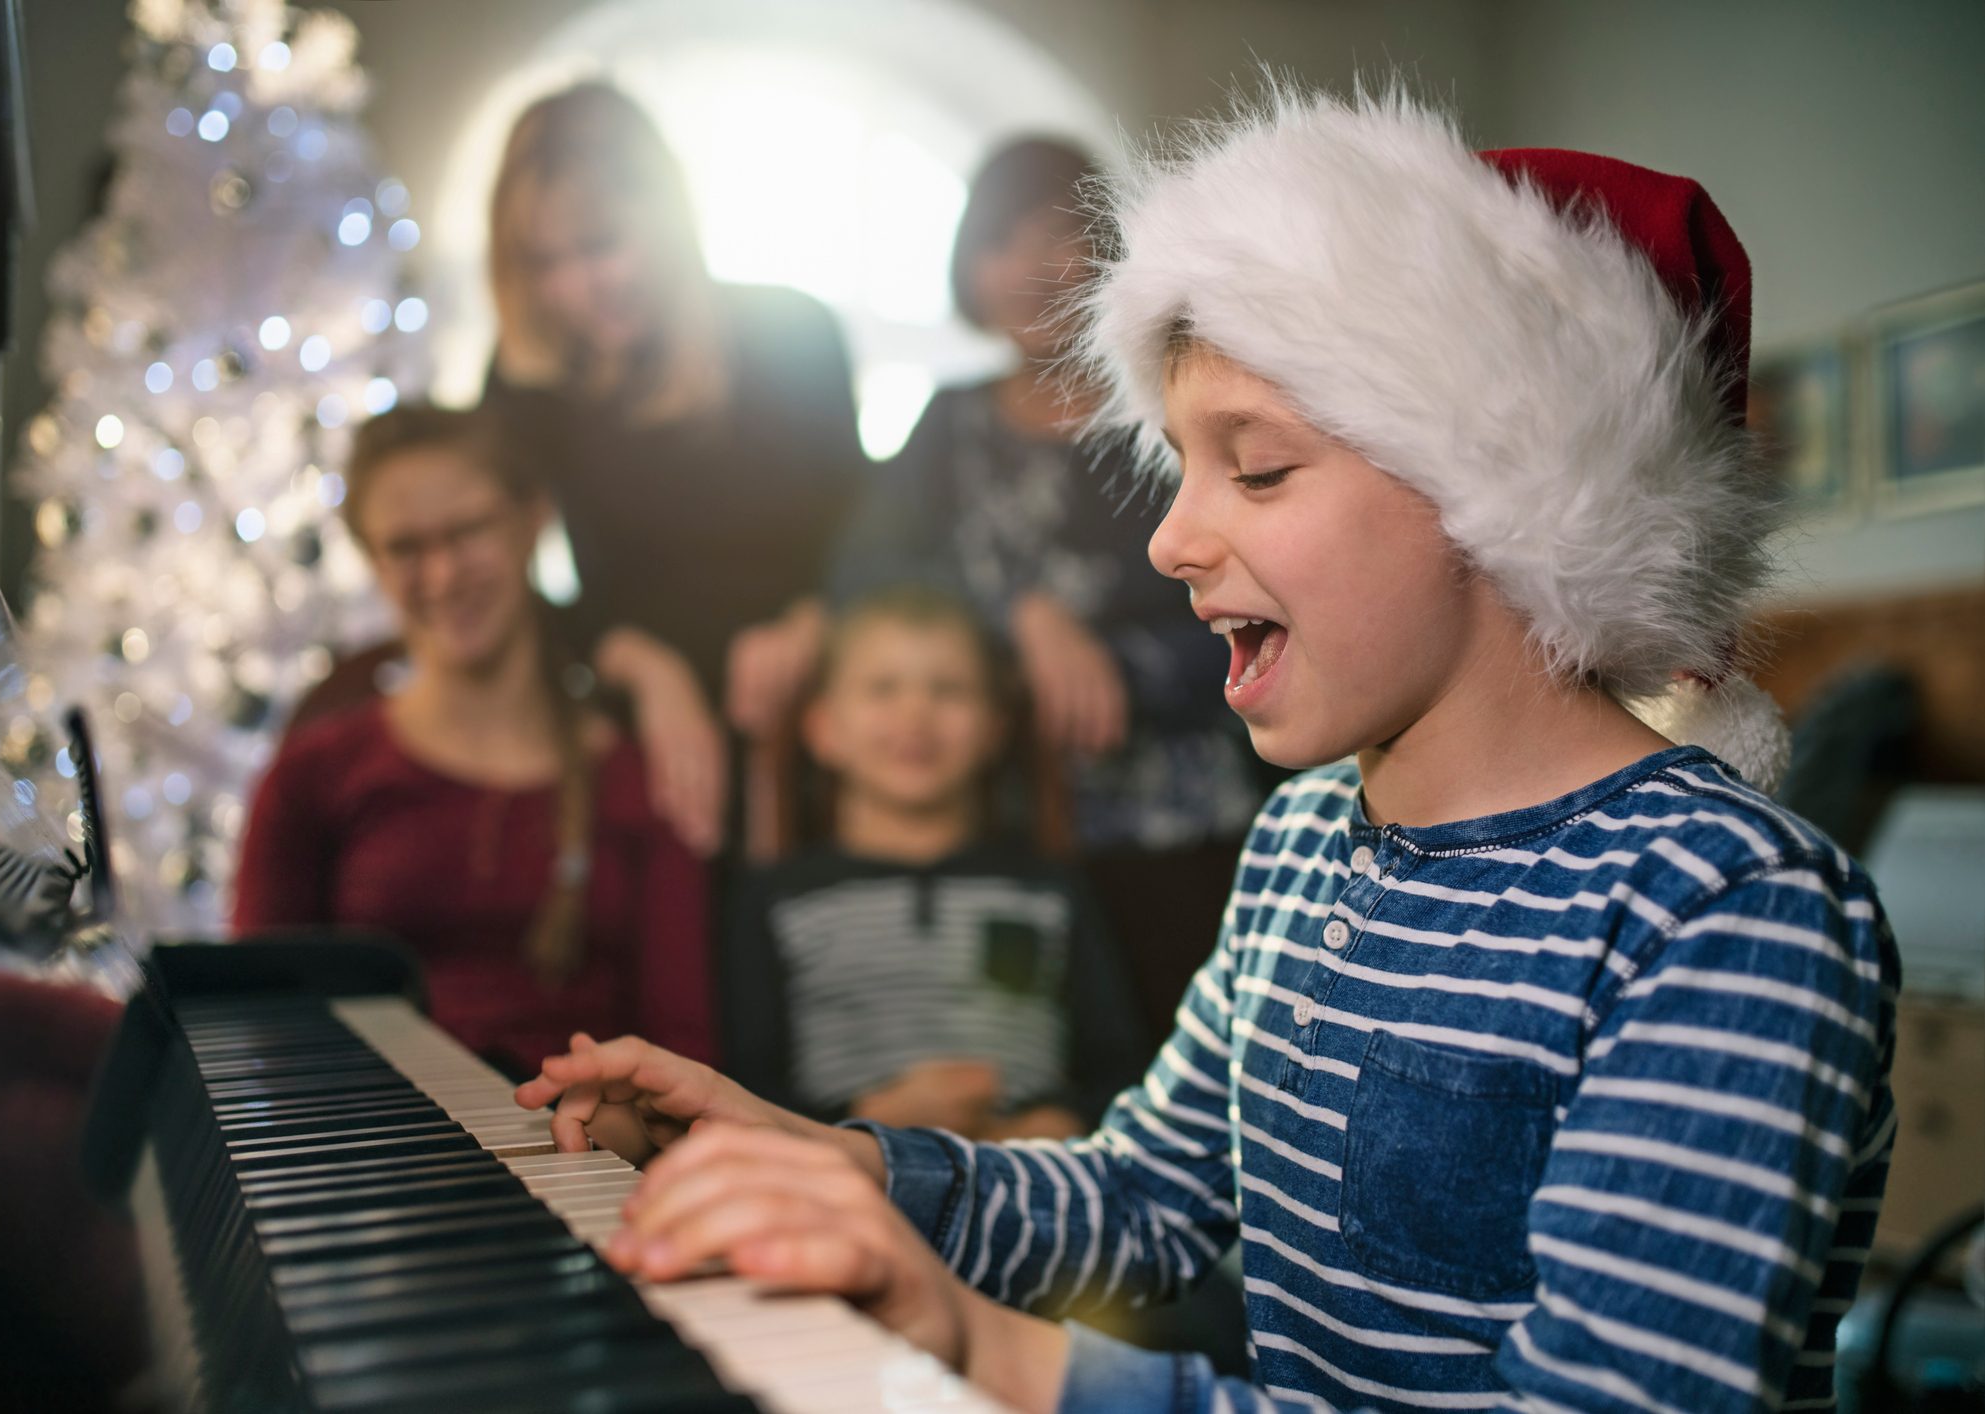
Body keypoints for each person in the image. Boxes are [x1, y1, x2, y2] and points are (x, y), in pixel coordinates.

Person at [513, 87, 1901, 1413]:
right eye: (1178, 463)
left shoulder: (1721, 908)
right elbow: (1136, 1201)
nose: (1169, 540)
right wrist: (828, 1162)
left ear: (1500, 493)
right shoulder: (1303, 844)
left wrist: (988, 1354)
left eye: (1259, 465)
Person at [830, 139, 1269, 1035]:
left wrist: (1111, 663)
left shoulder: (1167, 418)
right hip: (1002, 824)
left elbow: (1259, 594)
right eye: (999, 244)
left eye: (1055, 237)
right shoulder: (947, 424)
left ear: (1110, 252)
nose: (1028, 271)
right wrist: (1021, 615)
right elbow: (861, 580)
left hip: (1183, 819)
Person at [233, 405, 716, 1076]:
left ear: (533, 521)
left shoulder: (638, 780)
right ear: (370, 561)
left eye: (467, 532)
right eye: (405, 548)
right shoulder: (313, 776)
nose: (442, 575)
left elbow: (686, 1051)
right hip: (370, 1151)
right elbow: (258, 1026)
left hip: (590, 1156)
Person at [478, 83, 863, 822]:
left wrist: (810, 623)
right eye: (544, 262)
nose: (576, 288)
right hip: (636, 724)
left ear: (668, 215)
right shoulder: (528, 380)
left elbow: (865, 529)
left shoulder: (795, 332)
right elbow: (508, 579)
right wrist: (642, 668)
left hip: (823, 708)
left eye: (601, 246)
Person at [721, 585, 1144, 1137]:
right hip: (840, 1182)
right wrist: (871, 1119)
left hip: (1029, 1180)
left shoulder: (1050, 890)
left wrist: (1062, 1118)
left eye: (948, 690)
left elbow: (1122, 1066)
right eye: (882, 688)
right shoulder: (774, 898)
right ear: (823, 730)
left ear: (995, 728)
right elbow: (746, 1087)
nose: (916, 714)